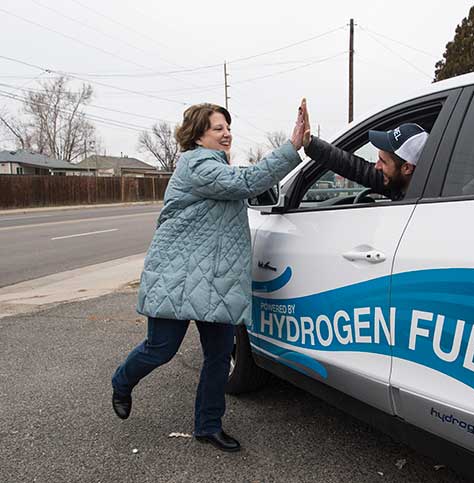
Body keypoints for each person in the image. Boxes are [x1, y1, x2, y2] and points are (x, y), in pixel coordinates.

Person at [111, 100, 310, 452]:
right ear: (198, 136)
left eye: (228, 127)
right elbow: (246, 182)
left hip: (216, 278)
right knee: (160, 349)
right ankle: (122, 381)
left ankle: (208, 425)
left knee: (219, 356)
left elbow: (247, 185)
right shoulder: (197, 164)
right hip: (178, 275)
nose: (226, 133)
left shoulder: (218, 165)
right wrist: (292, 146)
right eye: (218, 128)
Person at [302, 103, 429, 201]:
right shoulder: (396, 182)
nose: (376, 166)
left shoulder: (425, 202)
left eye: (383, 162)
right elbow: (352, 166)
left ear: (406, 168)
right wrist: (310, 144)